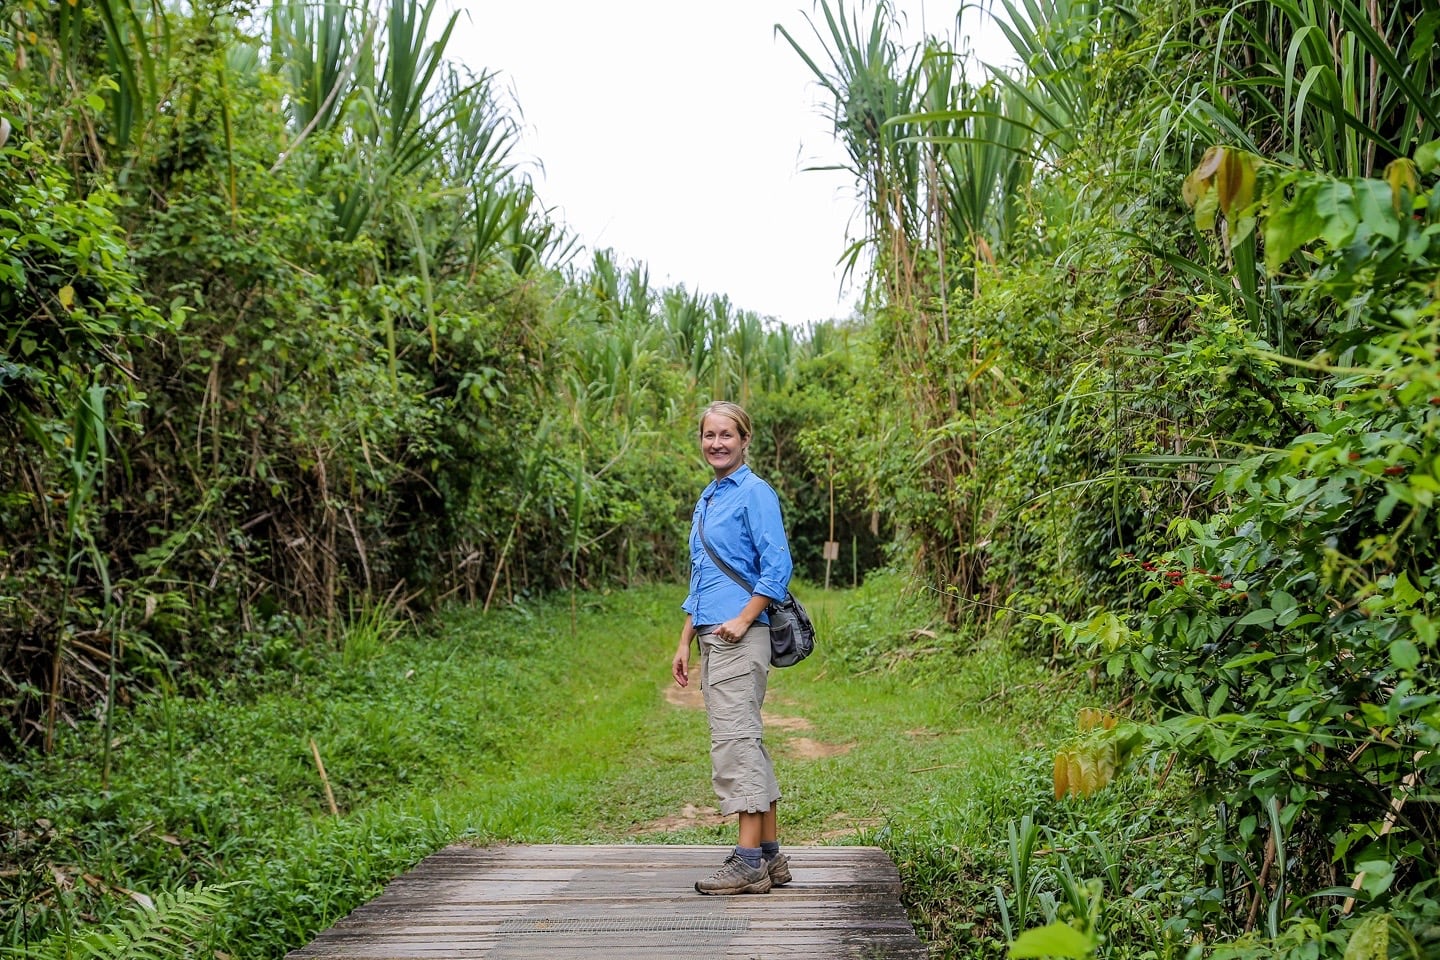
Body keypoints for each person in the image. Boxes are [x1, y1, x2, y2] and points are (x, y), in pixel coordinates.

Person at [673, 400, 794, 895]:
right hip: (711, 636)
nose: (716, 443)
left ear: (745, 440)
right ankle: (770, 855)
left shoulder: (755, 493)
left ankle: (747, 863)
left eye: (726, 434)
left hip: (739, 637)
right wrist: (684, 640)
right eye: (708, 435)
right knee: (746, 739)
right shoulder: (710, 497)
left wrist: (744, 619)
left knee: (735, 741)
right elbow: (703, 575)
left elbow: (777, 564)